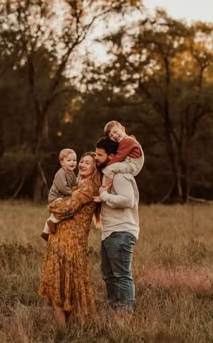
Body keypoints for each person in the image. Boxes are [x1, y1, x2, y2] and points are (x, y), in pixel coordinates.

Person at [38, 152, 101, 326]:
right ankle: (63, 329)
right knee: (58, 284)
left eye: (87, 163)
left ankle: (71, 328)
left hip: (72, 242)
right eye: (81, 161)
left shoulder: (89, 187)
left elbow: (66, 208)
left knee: (69, 285)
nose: (81, 164)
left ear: (95, 168)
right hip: (60, 238)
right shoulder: (76, 183)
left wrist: (52, 205)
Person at [94, 137, 140, 312]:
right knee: (109, 275)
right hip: (110, 232)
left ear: (112, 155)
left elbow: (128, 200)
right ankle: (113, 311)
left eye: (100, 154)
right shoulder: (109, 175)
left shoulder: (120, 175)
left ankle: (125, 315)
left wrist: (104, 197)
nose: (96, 157)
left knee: (122, 275)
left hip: (121, 232)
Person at [41, 148, 77, 241]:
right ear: (62, 162)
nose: (72, 162)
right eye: (69, 160)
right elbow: (63, 187)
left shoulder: (72, 173)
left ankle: (45, 233)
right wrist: (72, 193)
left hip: (62, 196)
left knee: (55, 214)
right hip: (56, 197)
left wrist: (77, 188)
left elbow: (74, 184)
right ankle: (52, 222)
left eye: (74, 160)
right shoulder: (61, 173)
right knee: (66, 209)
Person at [102, 120, 144, 190]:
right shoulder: (129, 139)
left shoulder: (126, 141)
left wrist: (105, 165)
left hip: (132, 166)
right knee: (114, 169)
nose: (114, 136)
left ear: (123, 129)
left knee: (108, 169)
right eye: (111, 136)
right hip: (130, 164)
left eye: (115, 132)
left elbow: (118, 157)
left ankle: (105, 190)